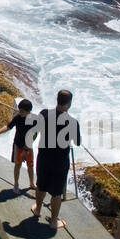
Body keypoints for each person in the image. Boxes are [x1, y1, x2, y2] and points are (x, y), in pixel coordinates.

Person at [31, 89, 80, 231]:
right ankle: (53, 222)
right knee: (57, 192)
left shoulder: (44, 114)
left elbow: (34, 133)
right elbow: (77, 142)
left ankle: (38, 210)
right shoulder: (72, 122)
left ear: (57, 99)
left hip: (44, 158)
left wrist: (27, 148)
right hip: (60, 162)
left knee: (40, 185)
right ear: (69, 103)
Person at [0, 98, 38, 192]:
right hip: (18, 145)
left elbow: (34, 136)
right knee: (18, 165)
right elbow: (8, 126)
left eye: (22, 111)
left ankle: (32, 183)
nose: (20, 112)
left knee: (30, 165)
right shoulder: (18, 117)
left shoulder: (35, 120)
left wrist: (26, 149)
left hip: (28, 146)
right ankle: (16, 184)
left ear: (29, 112)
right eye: (19, 110)